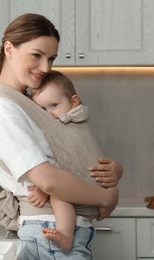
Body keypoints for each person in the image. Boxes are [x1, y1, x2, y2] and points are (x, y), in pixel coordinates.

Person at [0, 13, 122, 259]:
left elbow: (66, 151)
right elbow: (48, 180)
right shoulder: (0, 108)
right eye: (36, 55)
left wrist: (113, 171)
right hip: (50, 230)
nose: (46, 67)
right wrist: (106, 197)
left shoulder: (30, 101)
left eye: (51, 58)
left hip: (61, 231)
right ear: (9, 49)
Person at [31, 70, 107, 250]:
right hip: (92, 187)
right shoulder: (77, 116)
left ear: (73, 102)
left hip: (84, 182)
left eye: (54, 105)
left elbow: (65, 161)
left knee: (58, 194)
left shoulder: (68, 123)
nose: (49, 114)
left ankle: (65, 235)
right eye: (42, 110)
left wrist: (44, 187)